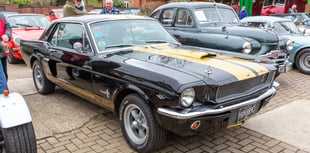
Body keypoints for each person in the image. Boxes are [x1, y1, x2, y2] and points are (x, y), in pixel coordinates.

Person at [0, 12, 12, 83]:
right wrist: (1, 43)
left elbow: (8, 28)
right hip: (2, 47)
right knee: (1, 79)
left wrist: (7, 35)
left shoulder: (1, 15)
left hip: (3, 52)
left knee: (4, 75)